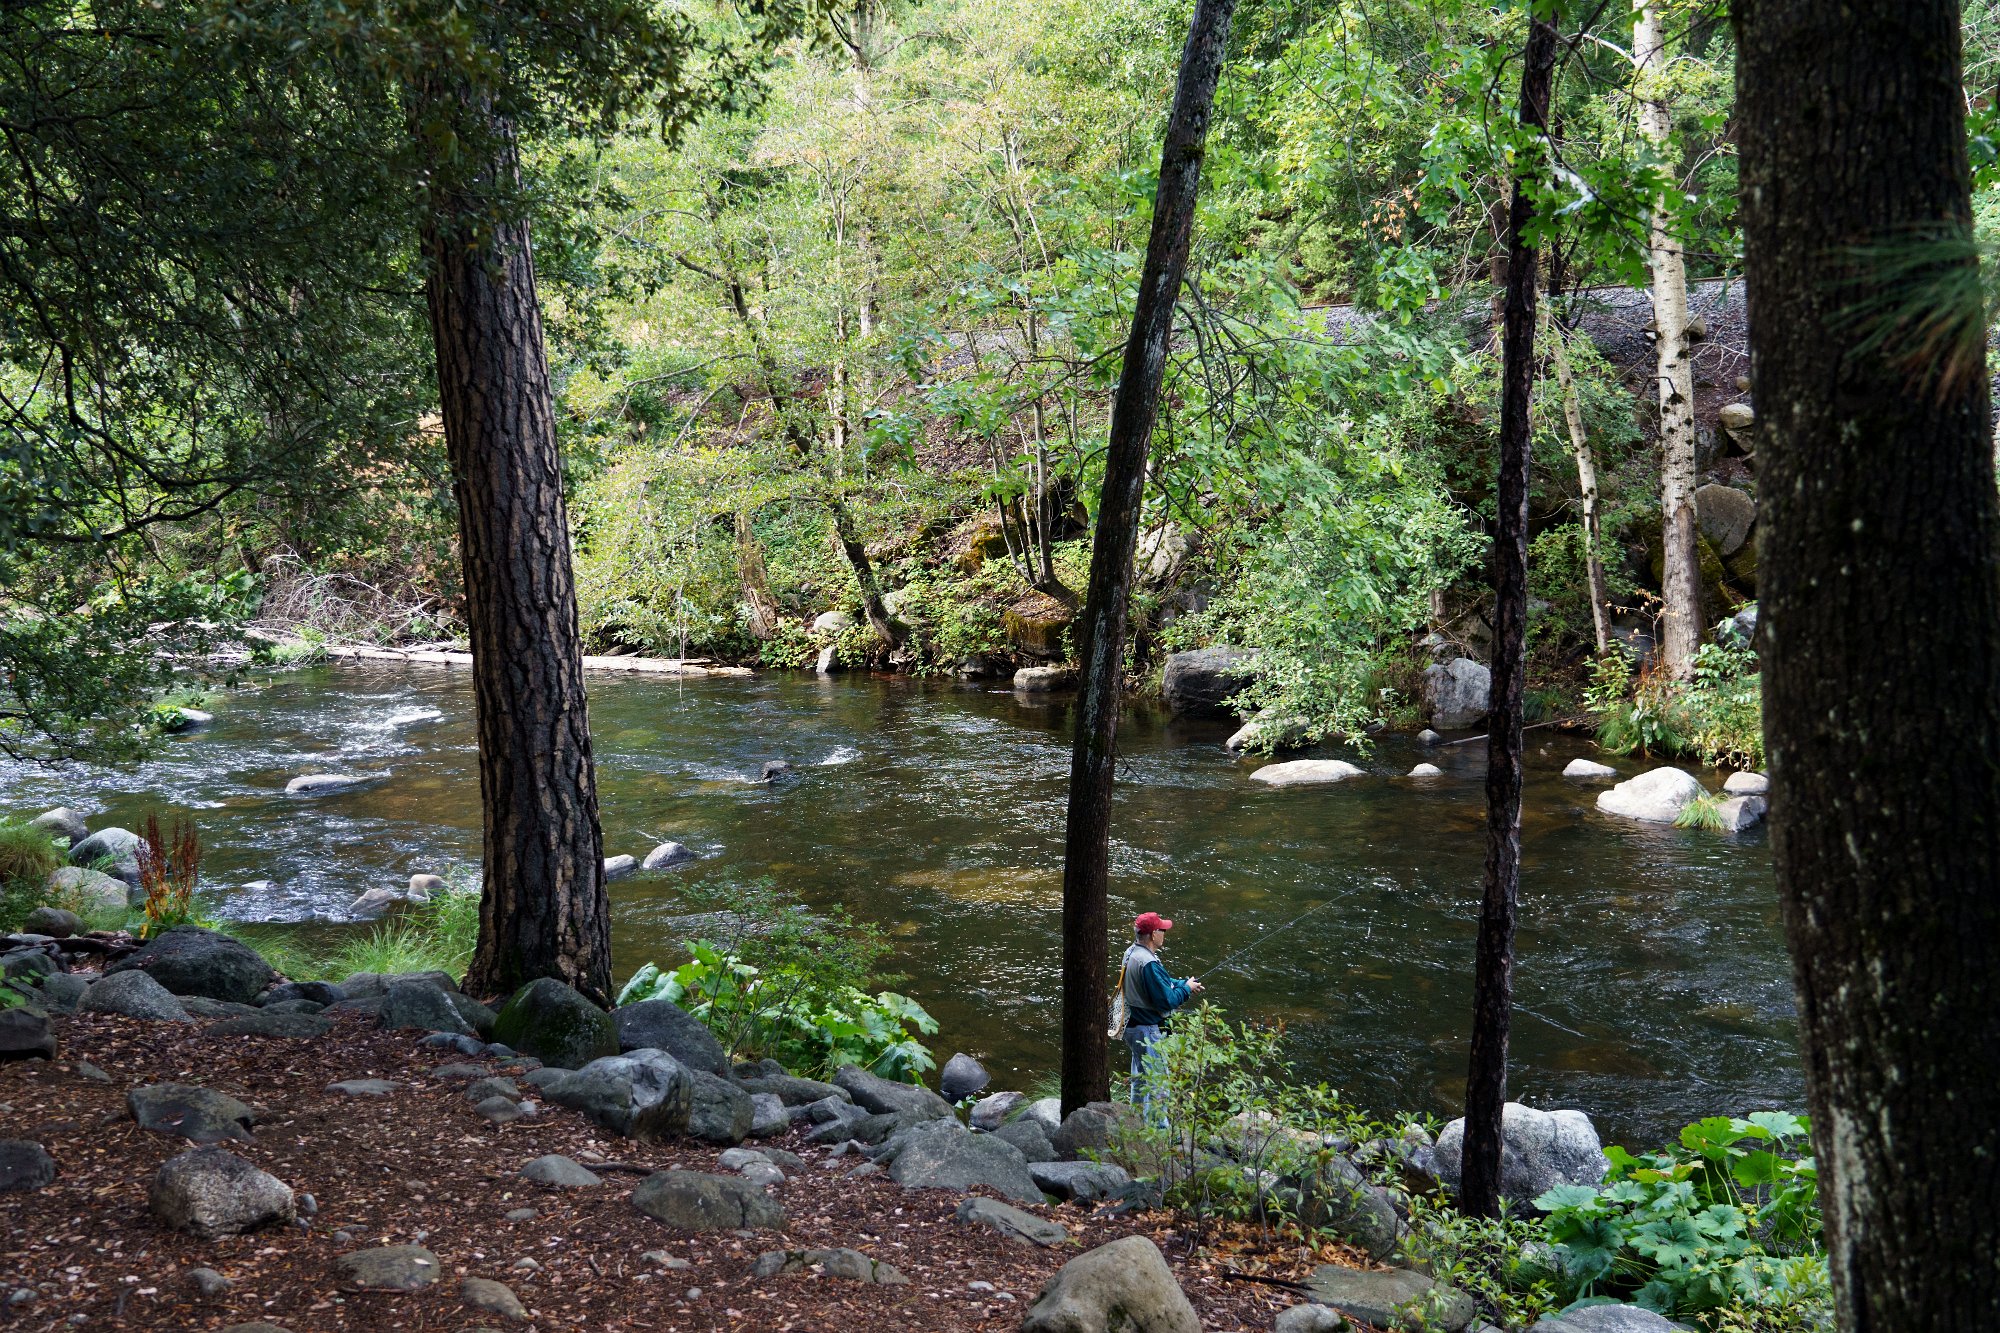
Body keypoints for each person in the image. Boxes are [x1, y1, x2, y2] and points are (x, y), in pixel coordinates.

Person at [1119, 910, 1202, 1124]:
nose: (1164, 933)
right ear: (1153, 934)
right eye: (1162, 930)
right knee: (1158, 1085)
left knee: (1140, 1077)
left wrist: (1184, 983)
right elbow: (1167, 1000)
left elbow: (1160, 983)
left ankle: (1136, 1121)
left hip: (1132, 1026)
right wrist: (1186, 990)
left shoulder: (1132, 952)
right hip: (1147, 1030)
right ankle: (1158, 1131)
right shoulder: (1148, 962)